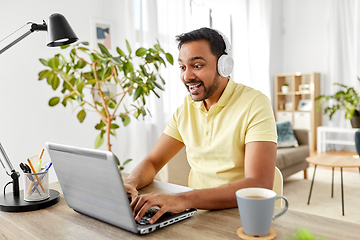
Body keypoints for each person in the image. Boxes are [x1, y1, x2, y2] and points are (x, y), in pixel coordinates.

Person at [124, 27, 277, 224]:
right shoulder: (185, 110)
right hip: (195, 215)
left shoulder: (255, 103)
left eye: (197, 65)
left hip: (240, 215)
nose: (187, 77)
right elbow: (153, 161)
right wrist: (130, 183)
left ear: (224, 66)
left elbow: (259, 184)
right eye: (182, 67)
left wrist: (182, 199)